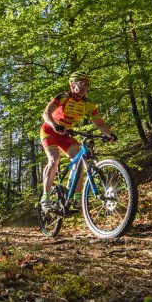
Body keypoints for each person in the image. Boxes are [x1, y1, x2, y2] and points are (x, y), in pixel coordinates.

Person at [40, 71, 117, 210]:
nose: (83, 87)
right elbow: (46, 113)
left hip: (65, 134)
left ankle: (76, 197)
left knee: (80, 159)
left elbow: (100, 124)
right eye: (80, 84)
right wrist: (54, 125)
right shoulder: (62, 97)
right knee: (54, 159)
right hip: (49, 131)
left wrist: (109, 134)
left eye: (86, 85)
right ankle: (45, 197)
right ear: (72, 84)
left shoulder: (88, 105)